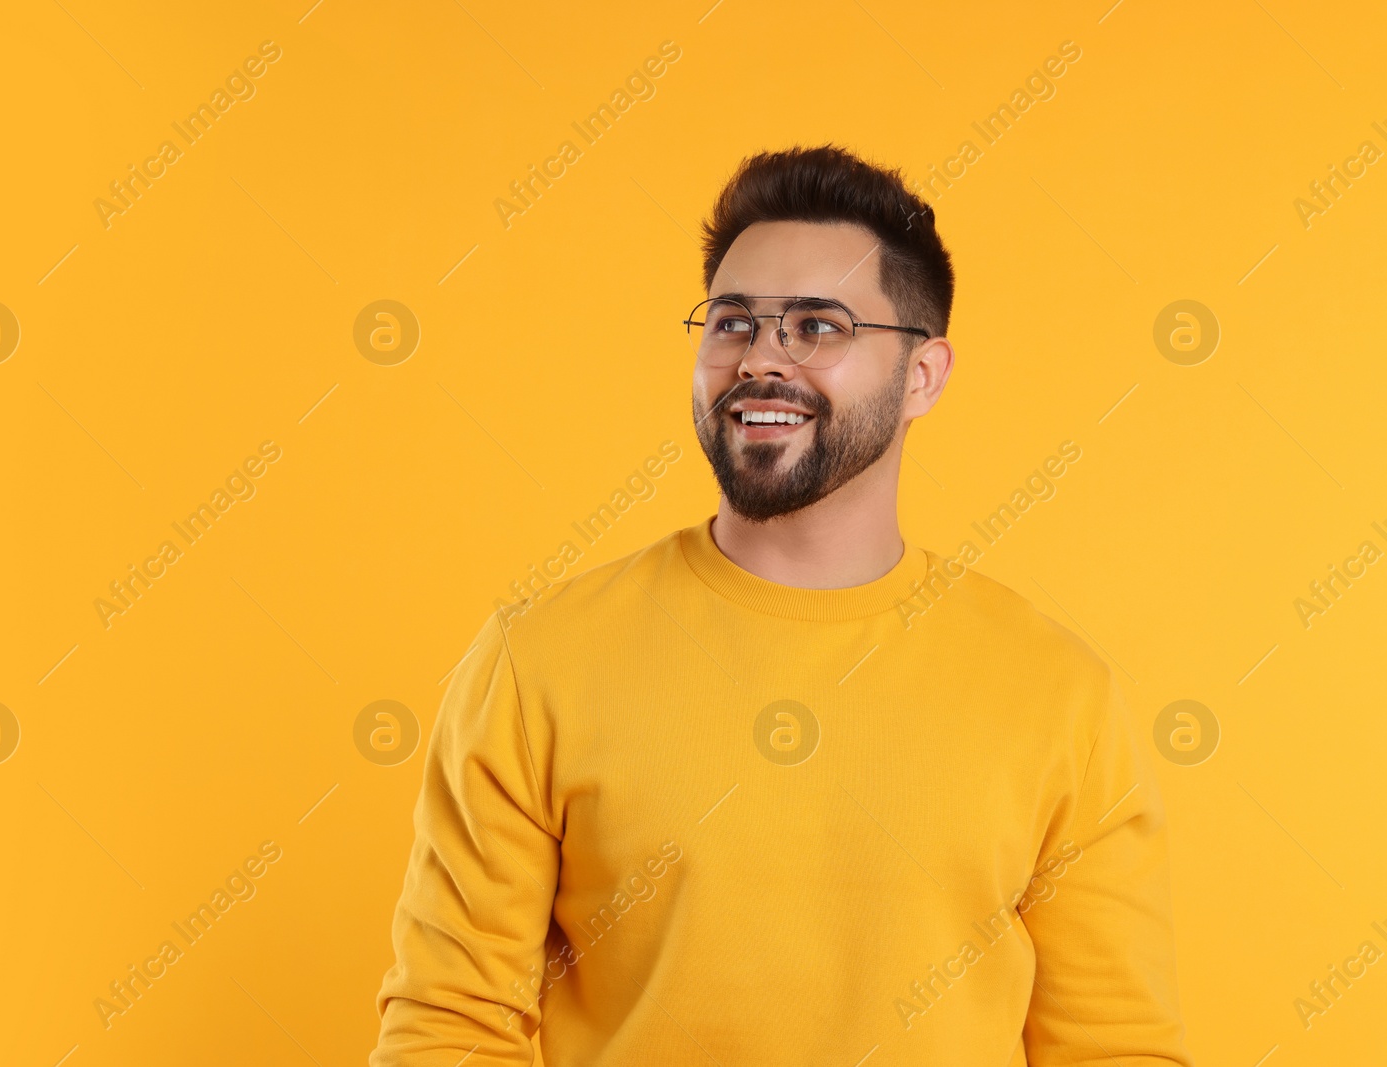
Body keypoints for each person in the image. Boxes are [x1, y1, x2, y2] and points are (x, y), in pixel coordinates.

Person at [370, 144, 1192, 1065]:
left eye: (818, 325)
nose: (762, 358)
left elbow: (1113, 1047)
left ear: (922, 374)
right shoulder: (538, 662)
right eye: (733, 322)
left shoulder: (1059, 694)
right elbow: (451, 1024)